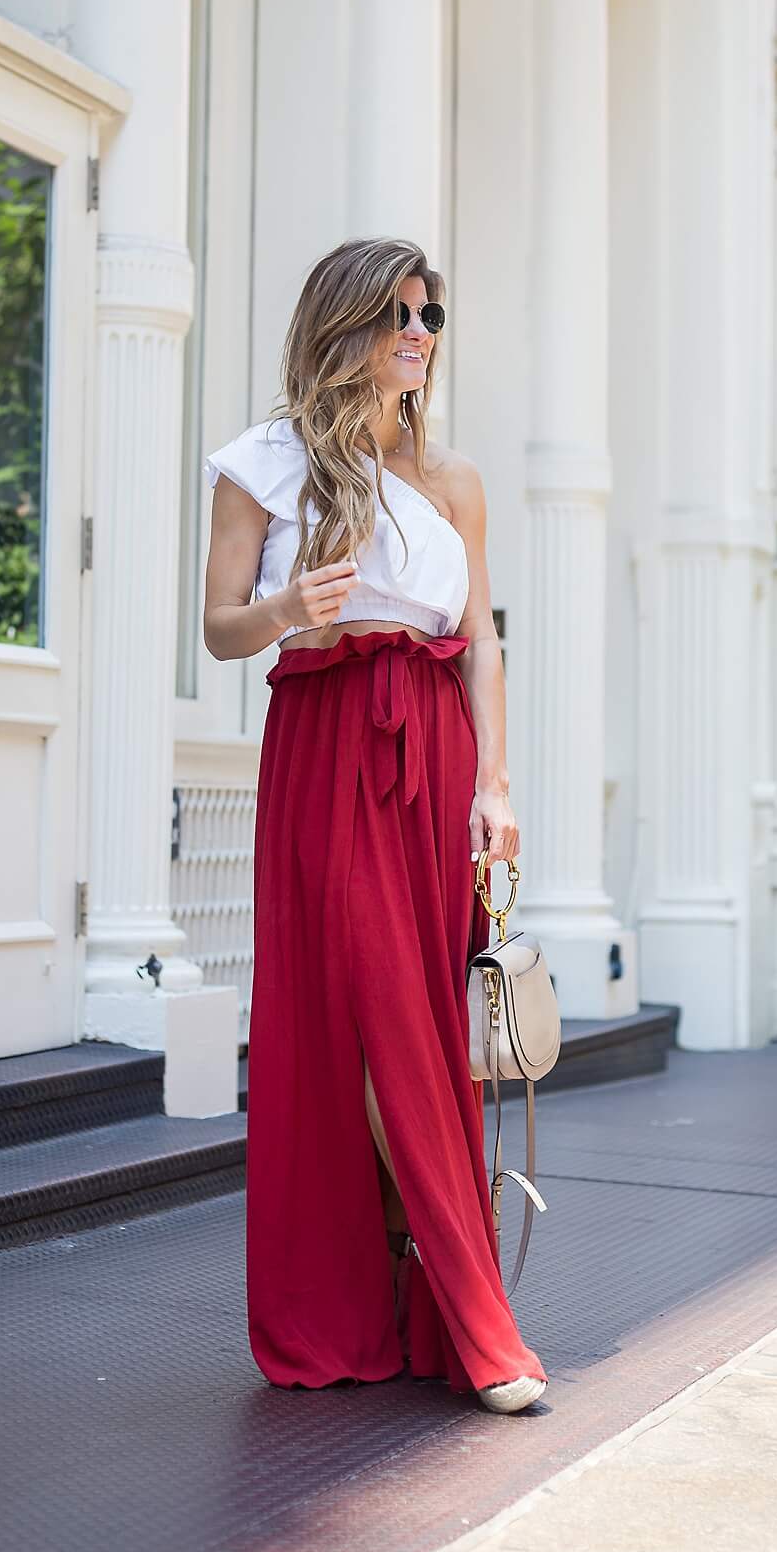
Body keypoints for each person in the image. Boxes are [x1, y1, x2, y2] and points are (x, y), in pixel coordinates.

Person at [202, 237, 547, 1414]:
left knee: (422, 1030)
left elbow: (483, 639)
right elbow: (217, 630)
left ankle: (419, 1305)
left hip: (433, 755)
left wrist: (492, 787)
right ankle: (475, 1322)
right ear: (343, 323)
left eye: (431, 315)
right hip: (325, 746)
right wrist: (286, 609)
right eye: (398, 313)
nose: (419, 334)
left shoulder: (453, 478)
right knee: (370, 1027)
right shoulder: (263, 465)